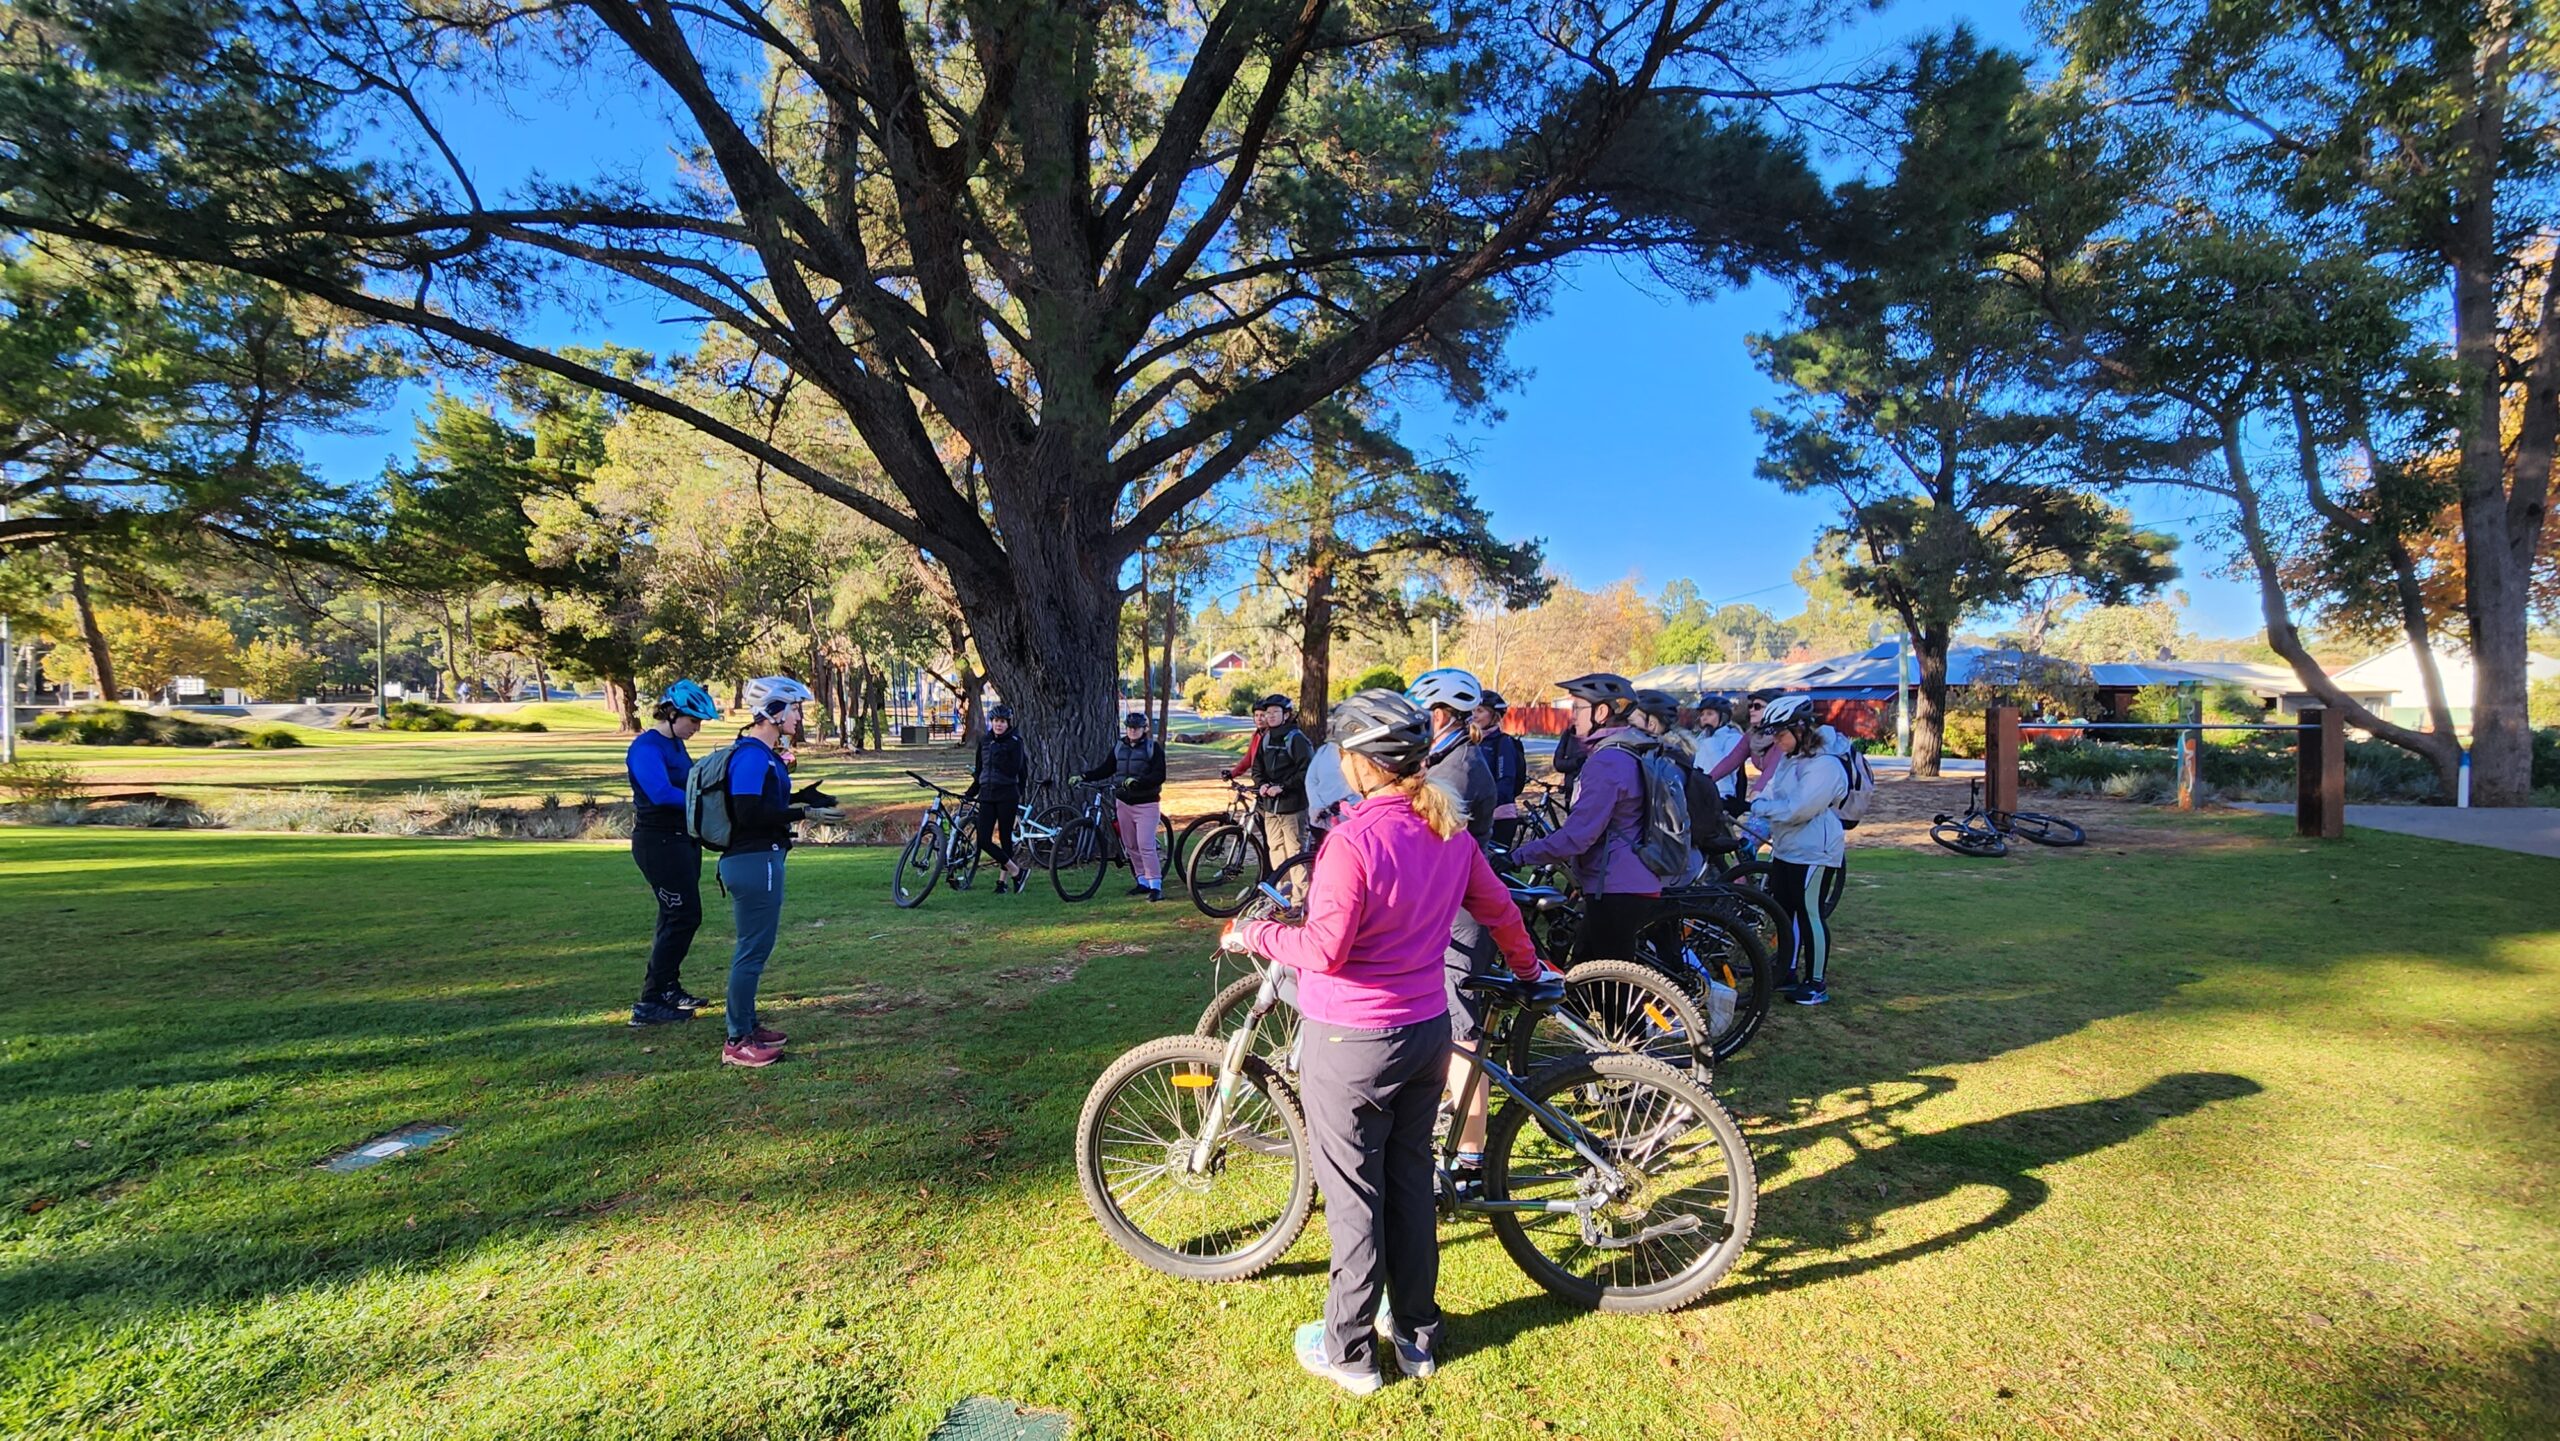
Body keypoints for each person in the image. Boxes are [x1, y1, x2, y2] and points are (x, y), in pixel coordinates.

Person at [1220, 689, 1544, 1395]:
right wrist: (1531, 969)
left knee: (1354, 1199)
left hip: (1351, 1041)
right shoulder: (1448, 830)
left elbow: (1324, 948)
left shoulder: (1353, 839)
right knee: (1407, 1188)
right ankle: (1418, 1336)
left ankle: (1351, 1349)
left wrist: (1253, 932)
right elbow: (1499, 908)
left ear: (1361, 763)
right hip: (1426, 1033)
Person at [1406, 668, 1503, 1193]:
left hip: (1460, 920)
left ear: (1440, 714)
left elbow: (1431, 841)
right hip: (1446, 911)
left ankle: (1471, 1160)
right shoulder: (1446, 759)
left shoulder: (1461, 769)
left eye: (1422, 713)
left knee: (1464, 1037)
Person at [1510, 673, 1661, 963]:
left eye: (1577, 709)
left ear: (1601, 712)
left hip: (1616, 886)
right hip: (1629, 879)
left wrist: (1519, 856)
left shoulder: (1607, 762)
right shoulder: (1630, 750)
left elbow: (1577, 837)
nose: (1572, 718)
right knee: (1586, 972)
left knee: (1607, 984)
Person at [718, 676, 816, 1068]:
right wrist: (800, 812)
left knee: (755, 949)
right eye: (794, 709)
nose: (798, 716)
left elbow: (762, 802)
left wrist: (802, 799)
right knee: (752, 951)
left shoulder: (762, 755)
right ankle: (736, 1041)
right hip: (753, 861)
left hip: (760, 858)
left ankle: (747, 1025)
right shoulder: (752, 755)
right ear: (774, 711)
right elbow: (747, 812)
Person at [625, 679, 721, 1027]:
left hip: (683, 841)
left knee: (675, 916)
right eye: (693, 720)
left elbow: (692, 782)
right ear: (671, 713)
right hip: (658, 843)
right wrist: (703, 804)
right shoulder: (646, 748)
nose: (696, 727)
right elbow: (661, 792)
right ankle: (650, 1003)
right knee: (683, 915)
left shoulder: (677, 745)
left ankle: (667, 988)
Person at [1746, 695, 1848, 1006]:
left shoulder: (1825, 765)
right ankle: (1786, 971)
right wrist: (1760, 805)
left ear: (1801, 729)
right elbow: (1770, 792)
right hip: (1787, 849)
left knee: (1810, 915)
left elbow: (1799, 809)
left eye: (1781, 734)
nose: (1776, 741)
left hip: (1816, 852)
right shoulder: (1791, 760)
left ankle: (1816, 982)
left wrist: (1761, 807)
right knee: (1784, 913)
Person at [1081, 711, 1168, 900]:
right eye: (1129, 727)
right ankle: (1142, 881)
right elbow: (1107, 768)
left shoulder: (1153, 748)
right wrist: (1084, 776)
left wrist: (1139, 781)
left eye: (1136, 728)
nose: (1132, 731)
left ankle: (1156, 885)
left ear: (1144, 729)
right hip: (1123, 803)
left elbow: (1159, 775)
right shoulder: (1120, 747)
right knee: (1130, 845)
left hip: (1147, 804)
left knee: (1145, 844)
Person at [961, 702, 1031, 894]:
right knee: (983, 840)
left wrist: (1000, 751)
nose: (999, 725)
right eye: (995, 721)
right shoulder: (985, 741)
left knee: (1005, 838)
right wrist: (970, 793)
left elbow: (1016, 769)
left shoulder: (1015, 742)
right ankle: (1017, 872)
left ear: (1008, 723)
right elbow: (980, 770)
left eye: (1002, 721)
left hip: (1007, 794)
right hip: (987, 794)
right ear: (991, 722)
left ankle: (1003, 882)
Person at [1249, 693, 1314, 896]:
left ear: (1286, 715)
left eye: (1275, 712)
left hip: (1292, 806)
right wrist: (1262, 785)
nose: (1270, 716)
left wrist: (1283, 787)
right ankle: (1280, 896)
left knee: (1295, 852)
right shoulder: (1266, 738)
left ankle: (1300, 900)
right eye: (1268, 713)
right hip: (1270, 806)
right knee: (1275, 850)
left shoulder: (1296, 739)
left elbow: (1306, 771)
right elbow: (1257, 767)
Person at [1472, 690, 1529, 848]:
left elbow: (1505, 784)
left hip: (1498, 819)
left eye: (1480, 711)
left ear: (1494, 716)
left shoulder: (1503, 743)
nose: (1474, 715)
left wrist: (1482, 807)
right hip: (1475, 817)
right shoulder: (1472, 742)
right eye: (1473, 710)